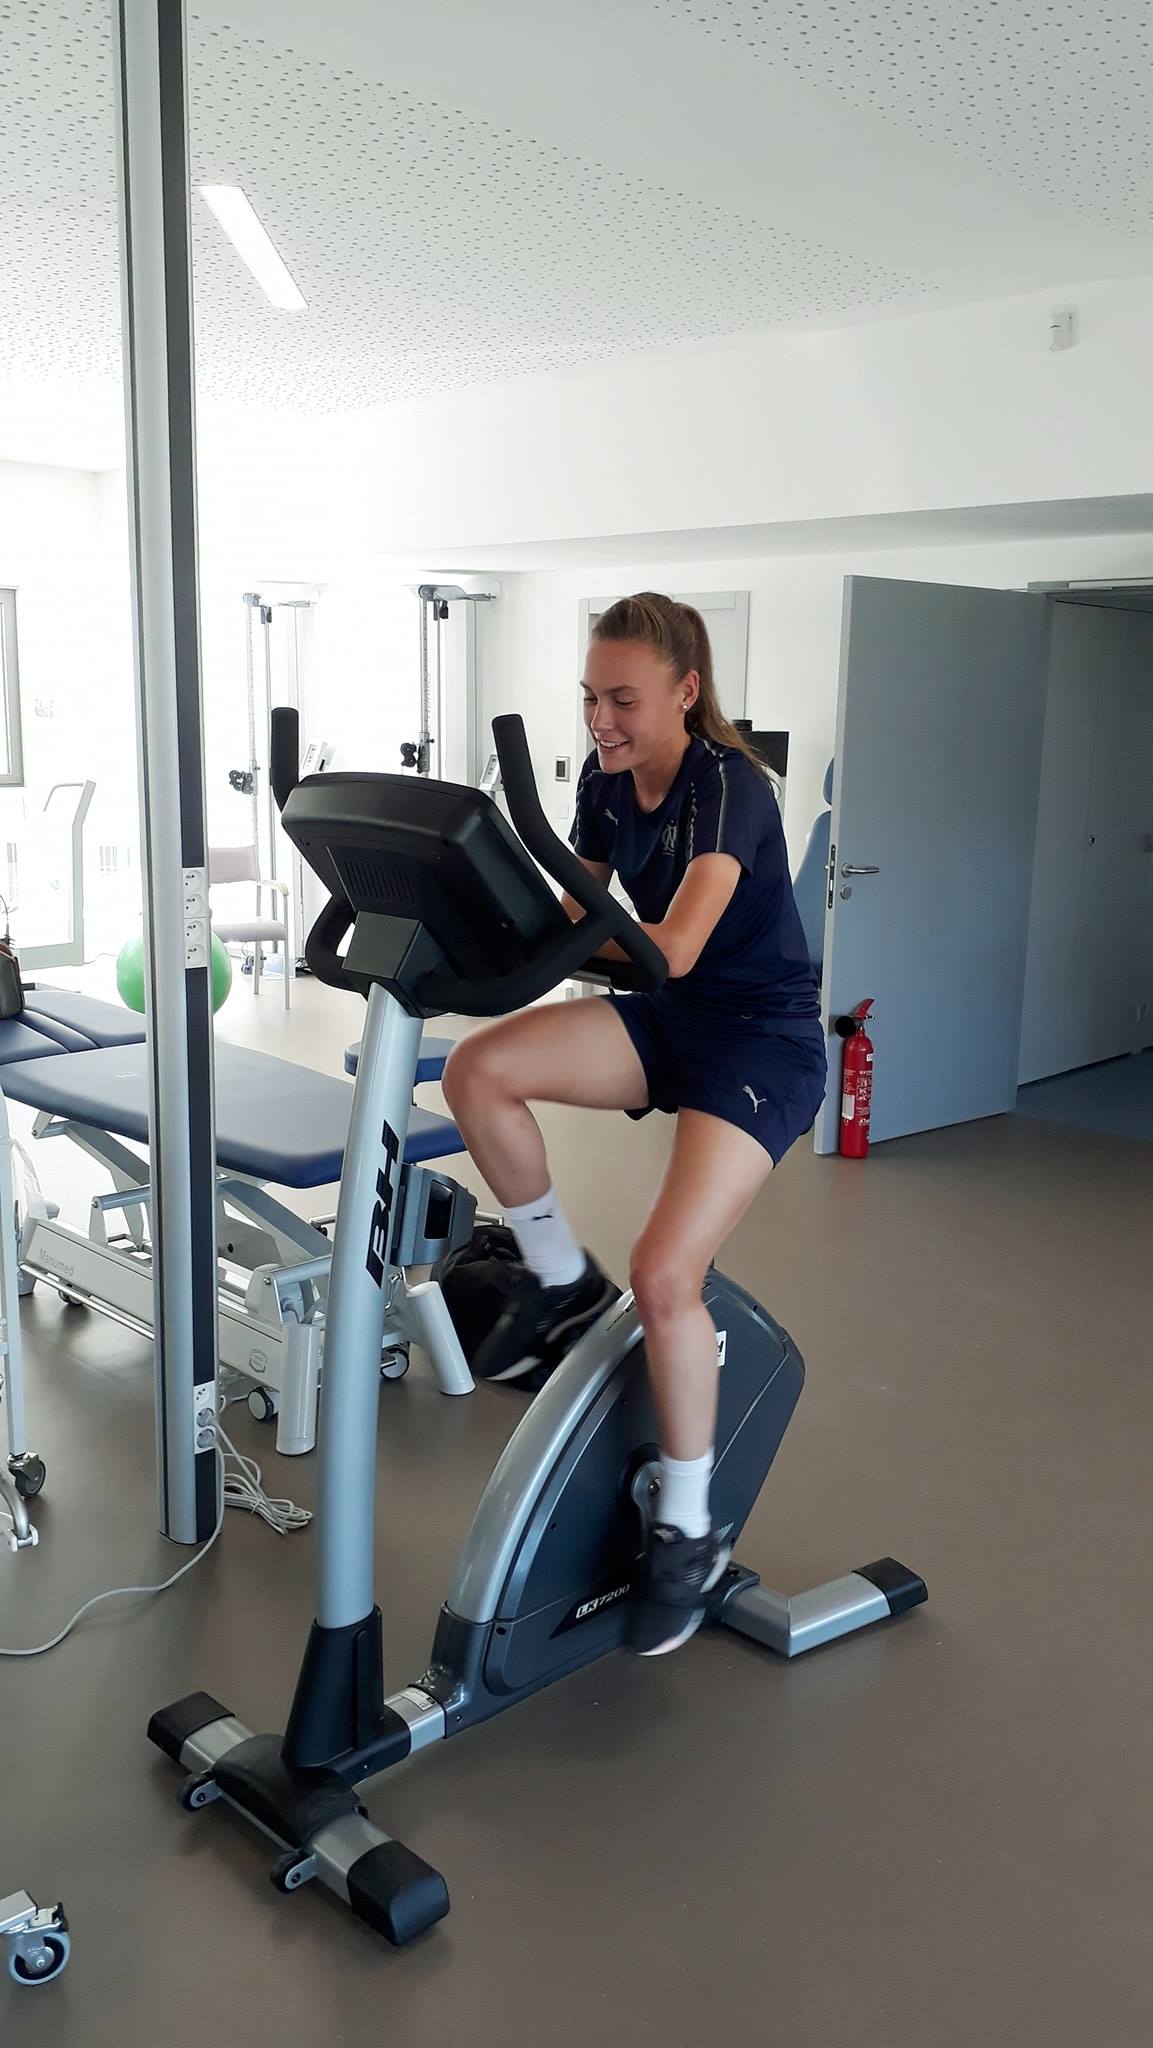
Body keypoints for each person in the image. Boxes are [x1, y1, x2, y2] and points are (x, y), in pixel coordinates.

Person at [441, 592, 826, 1656]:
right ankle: (559, 1277)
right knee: (480, 1068)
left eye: (622, 698)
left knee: (666, 1274)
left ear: (685, 691)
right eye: (588, 697)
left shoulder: (728, 787)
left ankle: (688, 1524)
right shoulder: (608, 786)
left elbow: (681, 943)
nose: (599, 720)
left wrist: (562, 947)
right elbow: (580, 913)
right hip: (666, 1018)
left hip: (756, 1038)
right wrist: (488, 938)